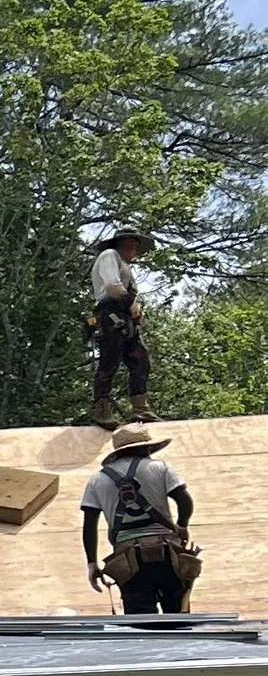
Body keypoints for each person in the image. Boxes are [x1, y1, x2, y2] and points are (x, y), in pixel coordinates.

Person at [80, 424, 198, 615]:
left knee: (141, 624)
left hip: (127, 560)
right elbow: (185, 501)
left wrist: (92, 563)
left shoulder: (97, 479)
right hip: (167, 554)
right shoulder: (161, 468)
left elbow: (89, 524)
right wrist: (182, 525)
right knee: (178, 618)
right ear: (145, 448)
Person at [85, 227, 153, 428]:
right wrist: (130, 302)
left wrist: (135, 309)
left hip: (125, 318)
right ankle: (101, 409)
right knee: (109, 361)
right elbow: (113, 286)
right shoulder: (109, 256)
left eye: (136, 244)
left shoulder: (124, 264)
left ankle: (140, 409)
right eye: (131, 243)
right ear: (121, 243)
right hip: (110, 315)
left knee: (140, 360)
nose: (134, 247)